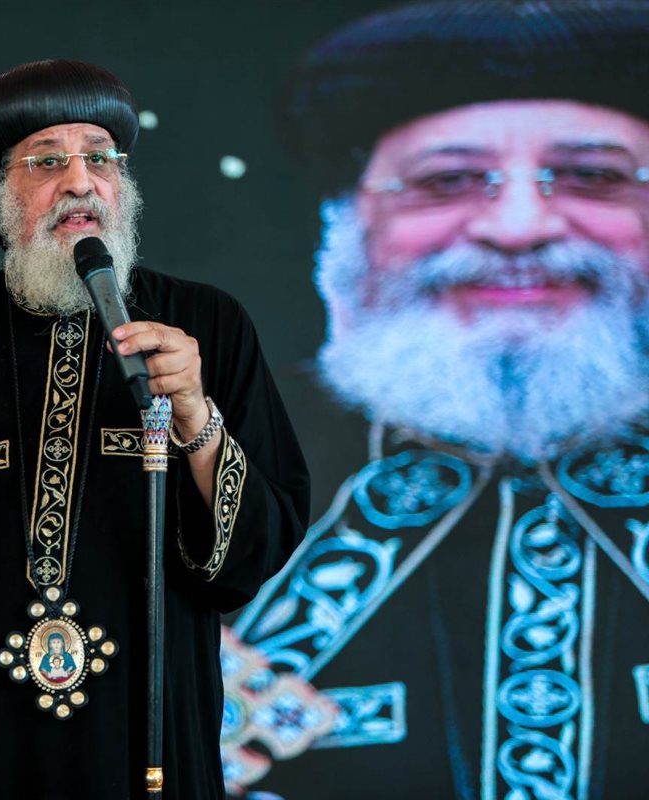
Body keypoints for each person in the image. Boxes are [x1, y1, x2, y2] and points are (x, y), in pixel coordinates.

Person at [0, 59, 309, 799]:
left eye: (100, 158)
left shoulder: (206, 325)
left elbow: (257, 549)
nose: (81, 181)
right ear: (0, 194)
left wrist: (196, 417)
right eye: (47, 161)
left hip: (141, 735)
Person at [222, 2, 649, 798]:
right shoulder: (207, 464)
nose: (518, 228)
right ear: (349, 224)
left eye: (593, 176)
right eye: (446, 181)